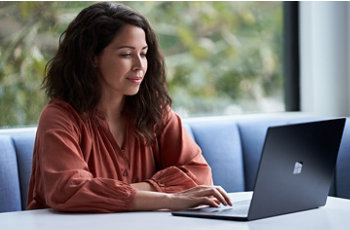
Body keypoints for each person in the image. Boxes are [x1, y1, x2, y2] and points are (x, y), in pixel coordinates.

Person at [27, 2, 232, 212]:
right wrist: (169, 198)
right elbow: (69, 190)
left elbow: (199, 173)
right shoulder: (60, 117)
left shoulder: (154, 110)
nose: (139, 65)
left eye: (143, 53)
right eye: (126, 54)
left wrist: (116, 192)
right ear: (92, 58)